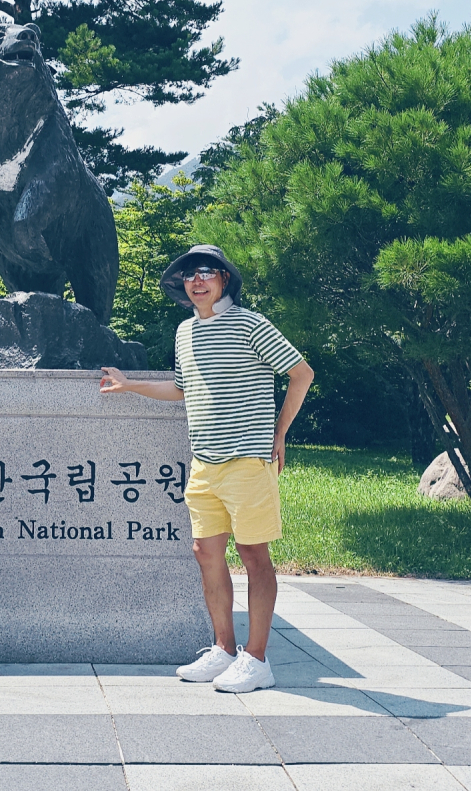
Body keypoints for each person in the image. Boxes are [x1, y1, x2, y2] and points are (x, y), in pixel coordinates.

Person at [99, 244, 312, 694]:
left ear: (224, 279)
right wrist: (129, 384)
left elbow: (302, 373)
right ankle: (224, 650)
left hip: (247, 461)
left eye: (206, 272)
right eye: (189, 274)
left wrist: (279, 433)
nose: (197, 281)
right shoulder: (185, 332)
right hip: (204, 464)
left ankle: (257, 660)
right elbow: (181, 389)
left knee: (254, 556)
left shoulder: (251, 324)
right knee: (206, 553)